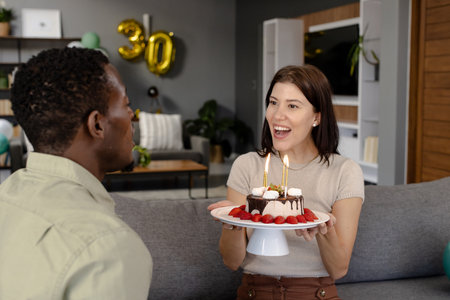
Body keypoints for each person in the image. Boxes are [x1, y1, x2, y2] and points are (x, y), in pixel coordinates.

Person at [0, 47, 152, 299]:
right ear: (97, 124)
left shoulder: (6, 194)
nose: (131, 115)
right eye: (126, 104)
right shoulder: (110, 248)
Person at [208, 65, 364, 299]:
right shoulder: (246, 165)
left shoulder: (344, 171)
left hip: (315, 293)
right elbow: (231, 262)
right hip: (255, 291)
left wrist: (322, 230)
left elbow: (339, 269)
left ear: (316, 117)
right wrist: (232, 223)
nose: (277, 115)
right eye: (273, 102)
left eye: (292, 105)